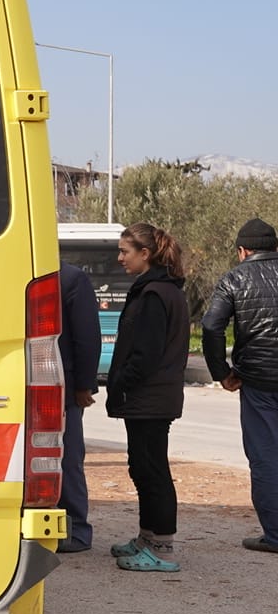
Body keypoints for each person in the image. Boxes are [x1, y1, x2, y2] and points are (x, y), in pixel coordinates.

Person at [104, 223, 190, 573]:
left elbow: (146, 353)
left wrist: (123, 382)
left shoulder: (155, 294)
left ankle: (162, 548)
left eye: (125, 251)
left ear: (146, 254)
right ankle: (146, 538)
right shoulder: (155, 290)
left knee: (153, 470)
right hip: (148, 398)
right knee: (141, 467)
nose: (119, 258)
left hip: (150, 398)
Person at [200, 217, 278, 554]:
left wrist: (222, 372)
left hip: (258, 382)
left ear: (242, 251)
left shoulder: (234, 277)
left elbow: (212, 328)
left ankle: (275, 535)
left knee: (265, 457)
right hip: (259, 381)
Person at [58, 261, 102, 553]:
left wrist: (83, 385)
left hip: (16, 385)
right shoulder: (70, 278)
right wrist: (83, 385)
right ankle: (74, 530)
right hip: (60, 388)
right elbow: (87, 336)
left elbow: (87, 338)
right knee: (67, 457)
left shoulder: (4, 272)